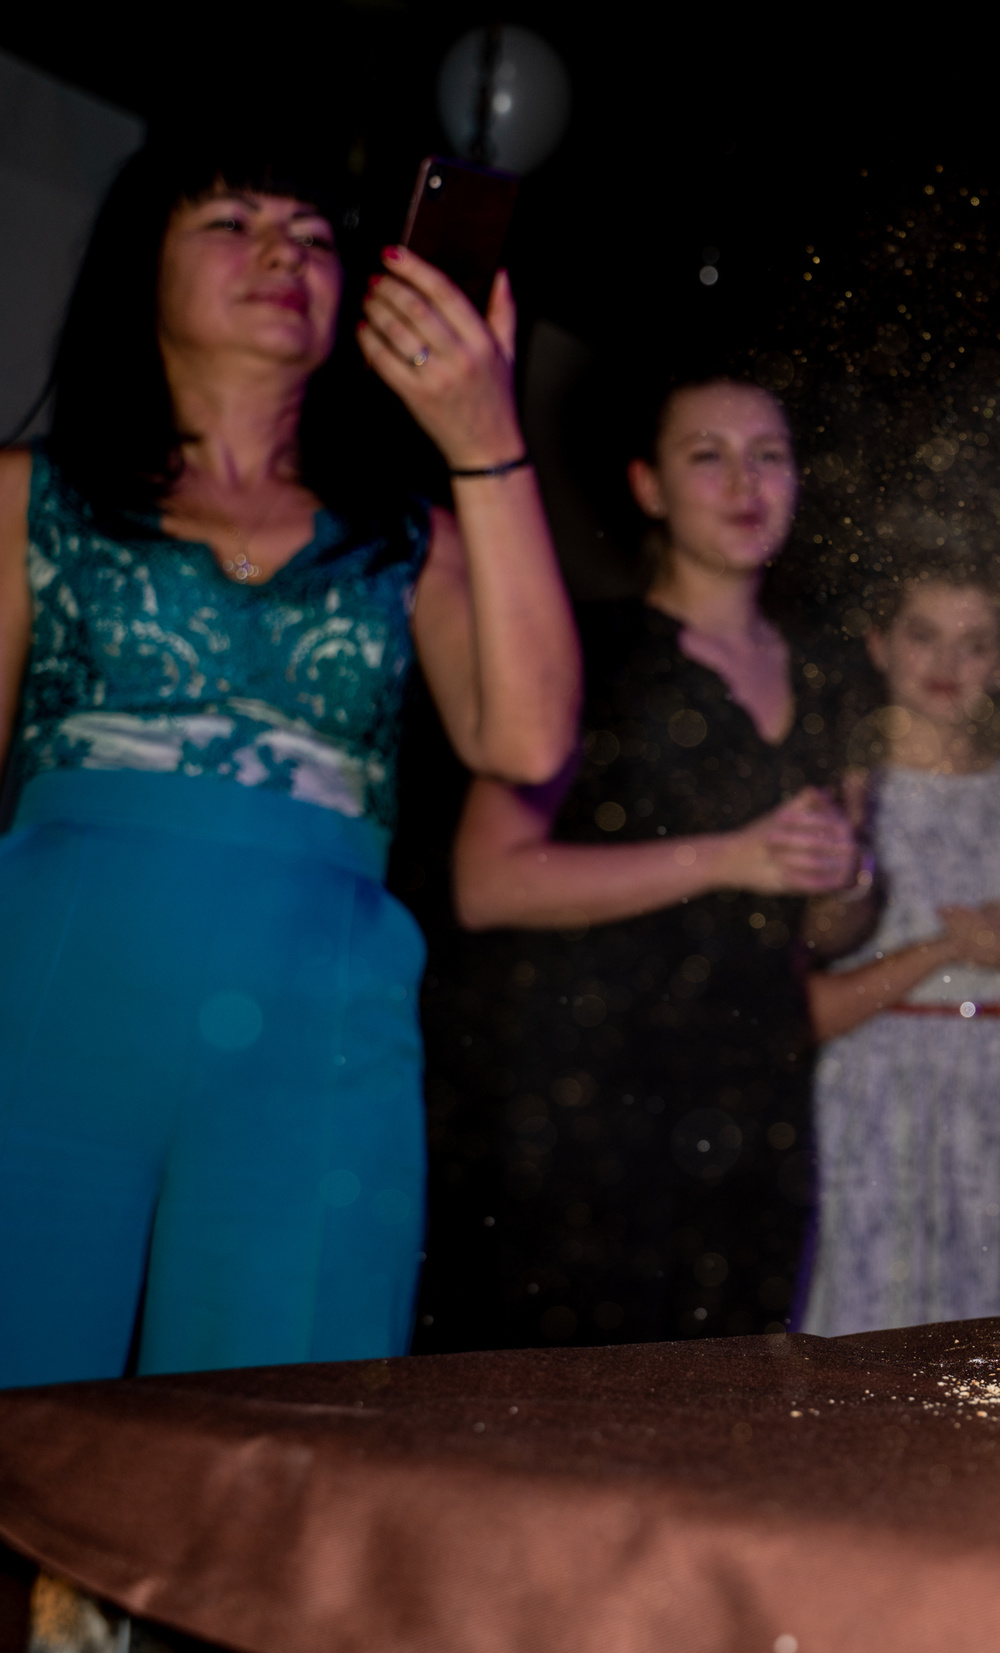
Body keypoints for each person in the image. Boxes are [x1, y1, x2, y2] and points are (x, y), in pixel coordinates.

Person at [0, 127, 579, 1387]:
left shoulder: (405, 540)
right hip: (46, 994)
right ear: (138, 269)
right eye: (229, 221)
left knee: (283, 1416)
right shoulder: (23, 496)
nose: (281, 253)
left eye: (315, 238)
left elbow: (527, 737)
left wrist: (484, 433)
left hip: (319, 1009)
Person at [441, 371, 854, 1345]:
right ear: (647, 486)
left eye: (769, 455)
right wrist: (727, 857)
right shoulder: (585, 651)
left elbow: (820, 923)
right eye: (705, 456)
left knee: (732, 1389)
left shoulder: (828, 670)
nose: (743, 482)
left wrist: (847, 876)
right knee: (588, 1390)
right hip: (598, 1082)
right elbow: (488, 881)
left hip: (755, 1086)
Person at [799, 570, 1000, 1335]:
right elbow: (801, 1007)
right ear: (879, 645)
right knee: (875, 1333)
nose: (947, 663)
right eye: (923, 635)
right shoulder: (846, 797)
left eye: (976, 645)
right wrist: (950, 946)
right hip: (885, 1095)